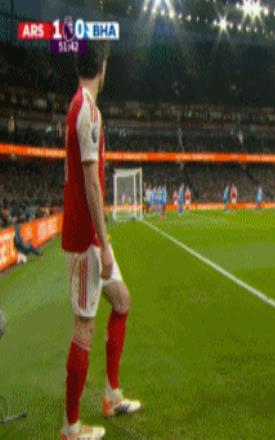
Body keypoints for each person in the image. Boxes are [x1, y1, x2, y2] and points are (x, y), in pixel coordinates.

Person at [61, 41, 141, 440]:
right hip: (85, 241)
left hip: (91, 237)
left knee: (122, 301)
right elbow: (92, 184)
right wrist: (104, 246)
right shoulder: (87, 111)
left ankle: (111, 395)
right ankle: (71, 427)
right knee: (84, 327)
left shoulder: (79, 105)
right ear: (103, 67)